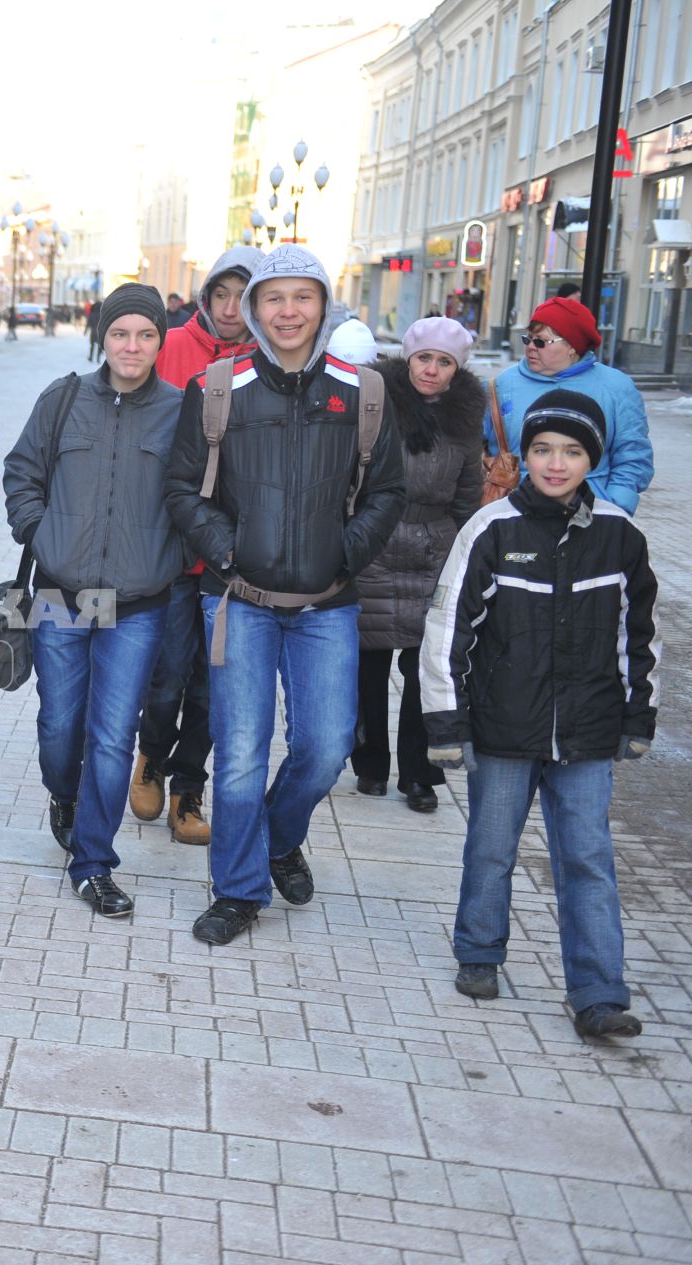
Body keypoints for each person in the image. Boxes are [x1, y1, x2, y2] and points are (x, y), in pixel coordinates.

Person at [164, 245, 406, 945]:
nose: (289, 311)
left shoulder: (362, 392)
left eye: (303, 297)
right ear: (252, 308)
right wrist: (227, 549)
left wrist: (346, 550)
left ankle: (277, 836)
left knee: (327, 745)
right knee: (240, 749)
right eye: (275, 298)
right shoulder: (217, 385)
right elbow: (183, 487)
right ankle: (238, 889)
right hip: (238, 597)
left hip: (327, 603)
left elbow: (387, 491)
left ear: (324, 305)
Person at [422, 388, 659, 1039]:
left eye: (572, 451)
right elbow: (448, 629)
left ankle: (598, 990)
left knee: (586, 855)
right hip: (505, 728)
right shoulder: (492, 529)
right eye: (543, 449)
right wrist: (445, 723)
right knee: (492, 845)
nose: (556, 463)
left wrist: (640, 714)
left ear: (592, 459)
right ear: (524, 455)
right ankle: (479, 951)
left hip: (586, 732)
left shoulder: (618, 534)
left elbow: (637, 635)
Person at [3, 284, 185, 917]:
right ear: (102, 338)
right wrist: (39, 531)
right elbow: (21, 471)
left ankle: (93, 863)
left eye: (145, 335)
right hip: (61, 594)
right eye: (120, 334)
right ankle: (66, 795)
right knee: (60, 723)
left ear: (161, 342)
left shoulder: (181, 412)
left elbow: (196, 497)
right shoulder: (62, 400)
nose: (131, 346)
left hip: (136, 604)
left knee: (112, 736)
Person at [134, 245, 263, 847]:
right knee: (165, 675)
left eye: (243, 296)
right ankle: (152, 756)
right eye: (221, 295)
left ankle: (189, 788)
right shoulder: (173, 348)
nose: (231, 308)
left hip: (235, 554)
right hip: (170, 543)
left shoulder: (268, 358)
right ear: (206, 297)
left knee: (215, 686)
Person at [352, 317, 485, 813]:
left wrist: (467, 557)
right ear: (408, 359)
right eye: (424, 358)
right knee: (369, 662)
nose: (431, 370)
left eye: (444, 362)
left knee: (425, 668)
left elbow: (468, 497)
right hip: (376, 544)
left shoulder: (464, 421)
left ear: (456, 369)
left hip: (435, 552)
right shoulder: (375, 402)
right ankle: (369, 763)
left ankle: (419, 773)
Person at [492, 295, 653, 514]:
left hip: (591, 511)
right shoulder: (503, 384)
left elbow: (633, 453)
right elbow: (483, 447)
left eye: (540, 341)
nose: (530, 347)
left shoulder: (615, 386)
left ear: (571, 346)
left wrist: (615, 506)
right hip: (517, 509)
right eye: (527, 339)